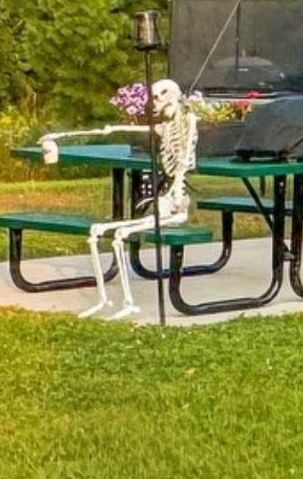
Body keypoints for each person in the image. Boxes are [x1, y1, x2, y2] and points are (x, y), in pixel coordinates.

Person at [38, 79, 197, 319]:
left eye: (160, 97)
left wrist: (175, 188)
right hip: (164, 201)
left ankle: (128, 302)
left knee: (120, 236)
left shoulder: (189, 122)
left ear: (173, 96)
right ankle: (104, 300)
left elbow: (184, 160)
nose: (155, 104)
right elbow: (126, 130)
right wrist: (59, 136)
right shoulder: (163, 129)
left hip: (176, 204)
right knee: (95, 232)